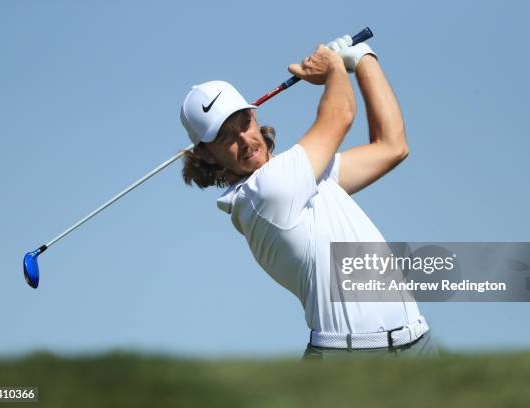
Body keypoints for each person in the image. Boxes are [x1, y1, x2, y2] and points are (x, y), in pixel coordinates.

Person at [180, 34, 438, 359]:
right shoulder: (266, 192)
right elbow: (340, 114)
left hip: (418, 344)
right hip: (349, 360)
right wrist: (333, 70)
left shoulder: (302, 175)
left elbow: (392, 146)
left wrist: (362, 59)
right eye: (225, 137)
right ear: (206, 156)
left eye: (244, 122)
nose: (245, 140)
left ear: (255, 116)